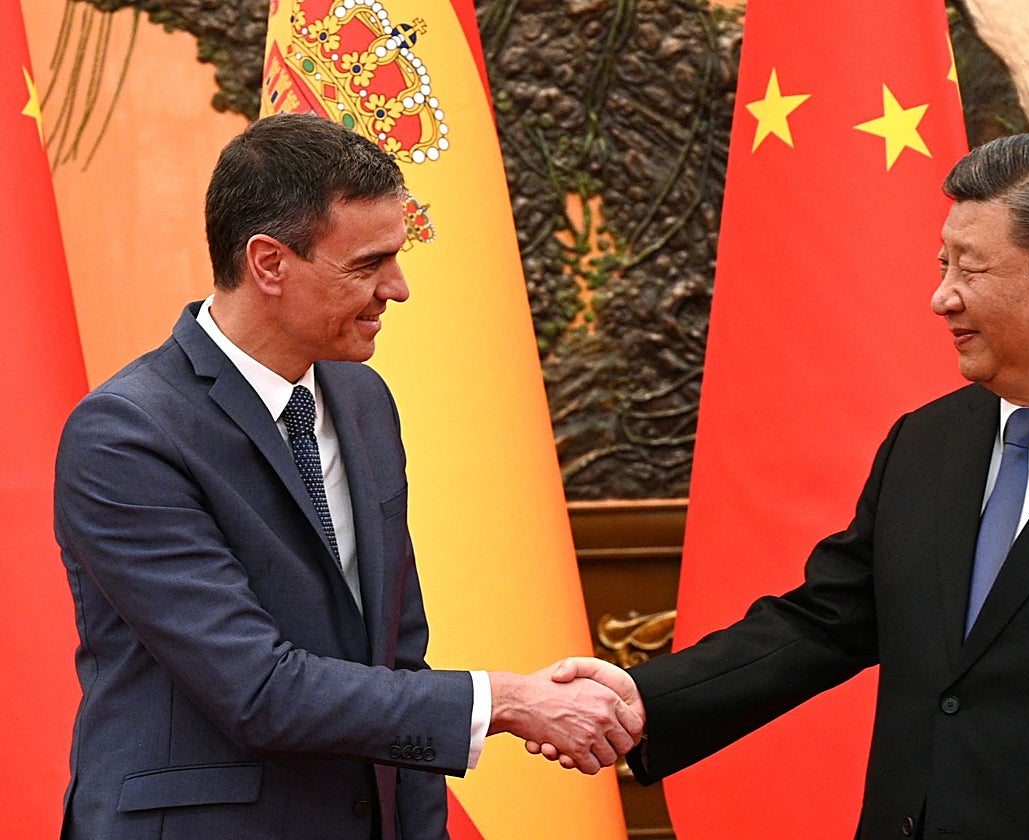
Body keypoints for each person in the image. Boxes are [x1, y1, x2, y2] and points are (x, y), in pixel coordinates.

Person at [541, 132, 1029, 837]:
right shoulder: (927, 443)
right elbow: (825, 622)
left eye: (970, 269)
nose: (941, 297)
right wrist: (645, 699)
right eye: (943, 264)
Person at [54, 112, 641, 840]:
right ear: (269, 263)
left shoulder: (363, 401)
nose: (396, 290)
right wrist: (509, 701)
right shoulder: (126, 435)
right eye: (367, 265)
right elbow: (256, 688)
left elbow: (398, 659)